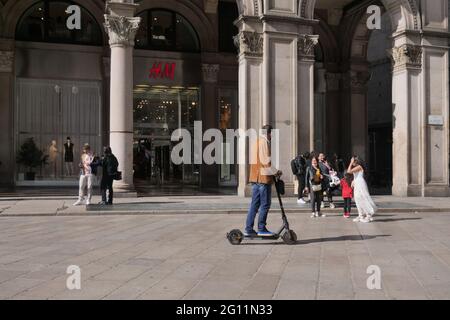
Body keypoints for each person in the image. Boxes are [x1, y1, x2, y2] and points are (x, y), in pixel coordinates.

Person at [245, 125, 282, 237]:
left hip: (255, 178)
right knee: (265, 204)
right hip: (263, 179)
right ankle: (261, 228)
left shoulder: (256, 142)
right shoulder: (264, 142)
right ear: (269, 133)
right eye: (271, 134)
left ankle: (249, 229)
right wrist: (276, 172)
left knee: (254, 205)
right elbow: (266, 162)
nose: (272, 137)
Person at [347, 156, 377, 223]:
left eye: (352, 161)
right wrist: (353, 181)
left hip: (360, 184)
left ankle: (368, 215)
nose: (351, 162)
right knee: (357, 199)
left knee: (363, 198)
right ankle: (360, 215)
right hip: (357, 183)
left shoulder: (359, 166)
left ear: (356, 161)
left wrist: (351, 163)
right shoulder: (356, 167)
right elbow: (356, 175)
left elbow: (348, 171)